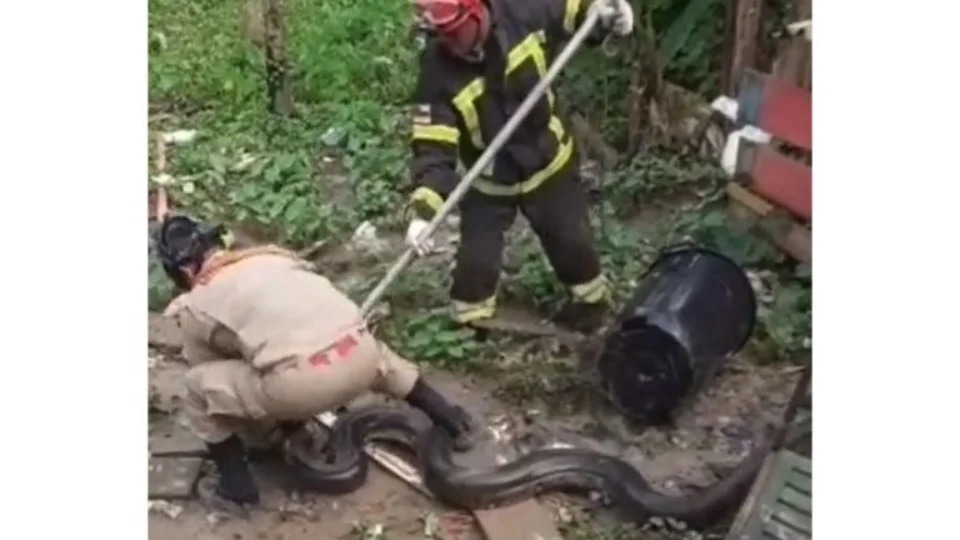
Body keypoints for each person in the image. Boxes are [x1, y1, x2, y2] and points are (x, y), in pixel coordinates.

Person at [154, 214, 475, 507]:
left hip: (303, 384)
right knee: (362, 345)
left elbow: (208, 373)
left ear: (183, 270)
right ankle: (451, 419)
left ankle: (237, 487)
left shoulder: (196, 305)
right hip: (362, 357)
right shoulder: (273, 257)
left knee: (197, 389)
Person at [404, 0, 634, 333]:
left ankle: (591, 305)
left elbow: (572, 11)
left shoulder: (522, 8)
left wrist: (606, 16)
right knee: (476, 265)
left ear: (477, 11)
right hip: (489, 180)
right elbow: (433, 148)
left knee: (572, 243)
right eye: (443, 35)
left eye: (457, 32)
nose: (453, 43)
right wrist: (423, 214)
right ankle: (471, 326)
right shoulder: (436, 73)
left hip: (548, 161)